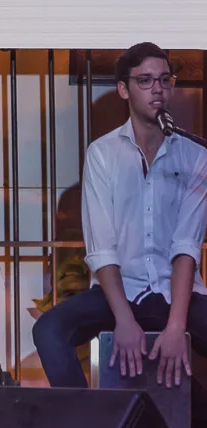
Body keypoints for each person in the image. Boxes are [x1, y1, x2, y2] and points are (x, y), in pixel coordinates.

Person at [33, 42, 207, 390]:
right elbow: (102, 249)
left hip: (177, 294)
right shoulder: (103, 154)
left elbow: (186, 246)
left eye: (164, 80)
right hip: (120, 292)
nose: (157, 89)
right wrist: (124, 320)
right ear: (124, 89)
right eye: (145, 80)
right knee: (49, 329)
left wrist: (175, 328)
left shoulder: (195, 155)